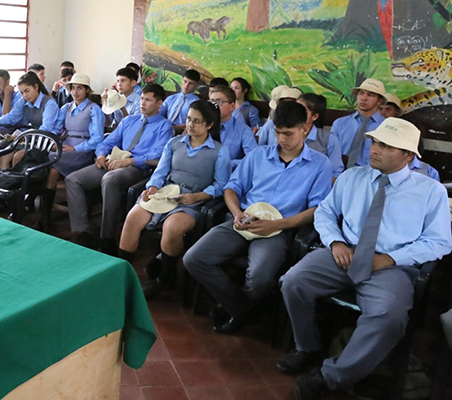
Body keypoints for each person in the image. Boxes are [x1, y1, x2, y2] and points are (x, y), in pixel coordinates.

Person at [278, 118, 451, 399]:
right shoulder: (352, 177)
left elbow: (439, 242)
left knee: (389, 316)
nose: (374, 149)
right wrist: (335, 242)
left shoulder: (430, 191)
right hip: (344, 254)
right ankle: (308, 347)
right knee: (293, 281)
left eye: (386, 145)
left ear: (408, 155)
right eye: (374, 142)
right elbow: (324, 213)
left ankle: (331, 376)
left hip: (391, 266)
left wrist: (391, 259)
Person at [183, 101, 332, 334]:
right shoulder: (259, 156)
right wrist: (236, 213)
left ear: (304, 129)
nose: (281, 139)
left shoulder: (320, 164)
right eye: (277, 132)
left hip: (279, 228)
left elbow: (316, 210)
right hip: (244, 220)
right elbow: (232, 188)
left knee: (260, 277)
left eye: (288, 133)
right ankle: (243, 308)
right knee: (194, 258)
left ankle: (237, 309)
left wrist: (277, 224)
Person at [118, 99, 231, 298]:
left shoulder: (219, 151)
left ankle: (165, 277)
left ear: (209, 125)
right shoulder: (174, 143)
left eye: (197, 121)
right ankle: (121, 273)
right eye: (189, 119)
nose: (190, 125)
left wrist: (197, 196)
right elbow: (160, 172)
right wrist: (153, 187)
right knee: (133, 218)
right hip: (164, 194)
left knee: (172, 228)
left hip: (193, 200)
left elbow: (221, 185)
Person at [66, 84, 173, 254]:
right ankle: (83, 232)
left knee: (110, 180)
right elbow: (107, 142)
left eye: (148, 100)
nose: (142, 103)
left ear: (160, 103)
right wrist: (101, 154)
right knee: (73, 179)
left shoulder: (164, 126)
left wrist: (130, 161)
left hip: (139, 169)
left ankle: (106, 237)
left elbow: (159, 156)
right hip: (114, 162)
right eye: (142, 99)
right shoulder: (129, 120)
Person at [39, 74, 105, 227]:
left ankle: (43, 214)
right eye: (73, 88)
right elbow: (55, 129)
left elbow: (97, 139)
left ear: (87, 90)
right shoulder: (66, 107)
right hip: (65, 146)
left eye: (80, 88)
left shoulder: (94, 109)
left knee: (50, 164)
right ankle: (44, 215)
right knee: (47, 164)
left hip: (83, 150)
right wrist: (54, 142)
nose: (75, 92)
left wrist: (75, 148)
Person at [330, 78, 386, 170]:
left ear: (379, 101)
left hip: (371, 177)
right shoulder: (340, 124)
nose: (364, 98)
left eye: (370, 95)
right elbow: (331, 154)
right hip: (339, 174)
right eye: (361, 93)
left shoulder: (385, 127)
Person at [209, 84, 257, 170]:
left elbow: (253, 158)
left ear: (232, 106)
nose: (214, 105)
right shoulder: (204, 125)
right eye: (211, 101)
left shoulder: (243, 130)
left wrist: (227, 164)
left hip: (229, 175)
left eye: (219, 101)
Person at [159, 69, 201, 134]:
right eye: (185, 81)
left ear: (196, 86)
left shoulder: (197, 103)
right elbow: (159, 113)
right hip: (165, 128)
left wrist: (172, 128)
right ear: (182, 80)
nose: (186, 86)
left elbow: (194, 123)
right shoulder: (171, 98)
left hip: (183, 132)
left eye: (190, 83)